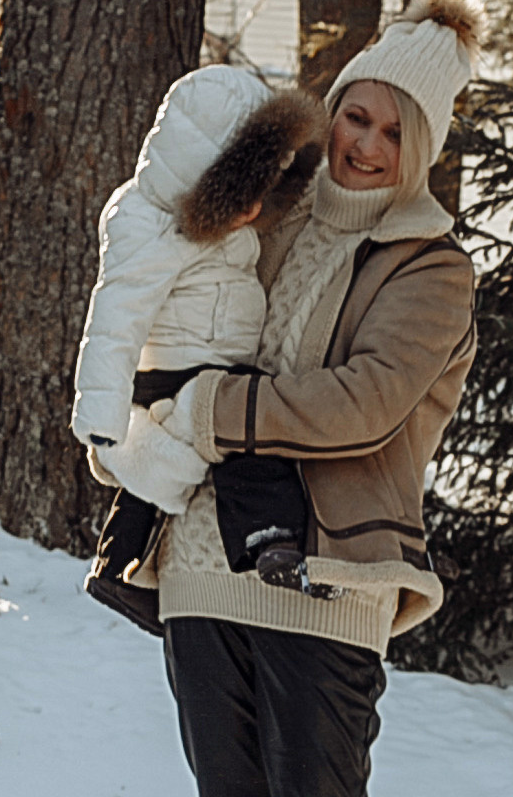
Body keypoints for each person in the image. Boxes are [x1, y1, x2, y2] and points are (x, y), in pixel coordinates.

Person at [136, 0, 484, 797]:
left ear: (421, 148)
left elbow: (363, 404)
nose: (363, 142)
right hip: (202, 566)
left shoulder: (430, 269)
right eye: (354, 113)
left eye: (392, 128)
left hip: (328, 580)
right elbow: (169, 296)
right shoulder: (268, 218)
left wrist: (219, 412)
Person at [70, 61, 328, 611]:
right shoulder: (153, 227)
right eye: (245, 191)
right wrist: (102, 420)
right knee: (246, 427)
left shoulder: (216, 221)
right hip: (181, 370)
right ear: (208, 178)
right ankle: (268, 537)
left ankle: (118, 565)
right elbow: (115, 318)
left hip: (207, 361)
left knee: (162, 480)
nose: (258, 209)